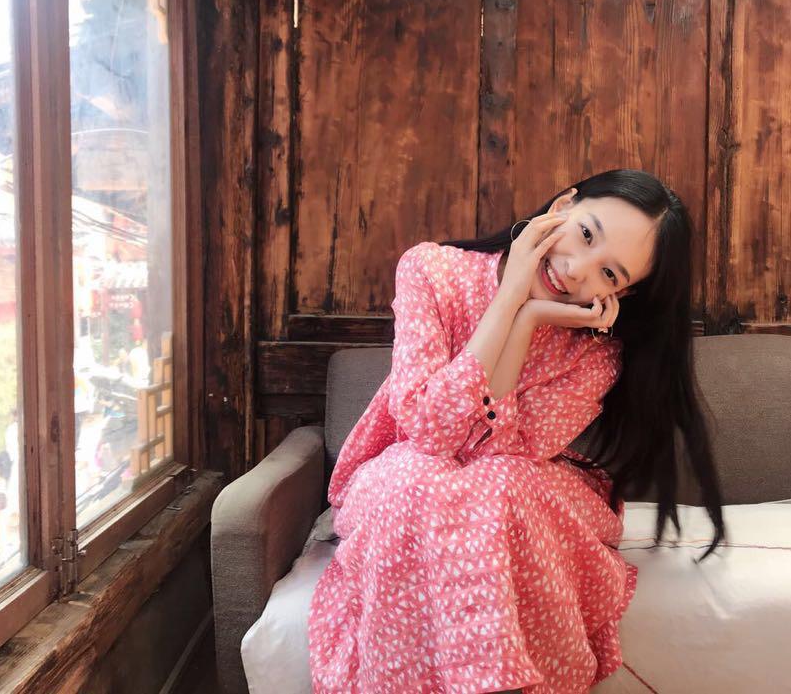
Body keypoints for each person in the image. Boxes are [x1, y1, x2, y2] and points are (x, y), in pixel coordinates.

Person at [307, 168, 726, 694]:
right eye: (586, 233)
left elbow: (494, 449)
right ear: (564, 205)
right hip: (404, 475)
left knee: (499, 479)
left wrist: (528, 321)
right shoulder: (431, 270)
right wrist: (509, 303)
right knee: (419, 474)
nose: (575, 270)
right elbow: (431, 432)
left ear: (623, 293)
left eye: (609, 273)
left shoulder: (596, 354)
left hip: (514, 486)